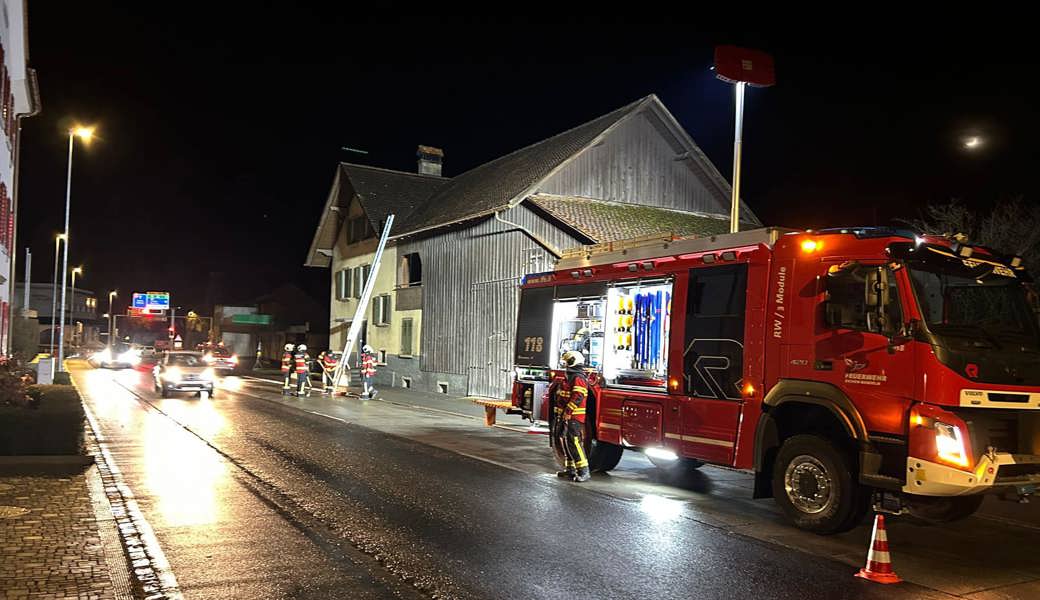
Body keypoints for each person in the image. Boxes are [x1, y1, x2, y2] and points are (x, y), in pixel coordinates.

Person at [554, 350, 591, 482]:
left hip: (574, 416)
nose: (565, 365)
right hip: (566, 415)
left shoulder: (578, 377)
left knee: (574, 442)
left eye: (566, 362)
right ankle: (570, 469)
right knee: (565, 440)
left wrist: (568, 412)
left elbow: (578, 396)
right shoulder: (570, 376)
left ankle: (583, 471)